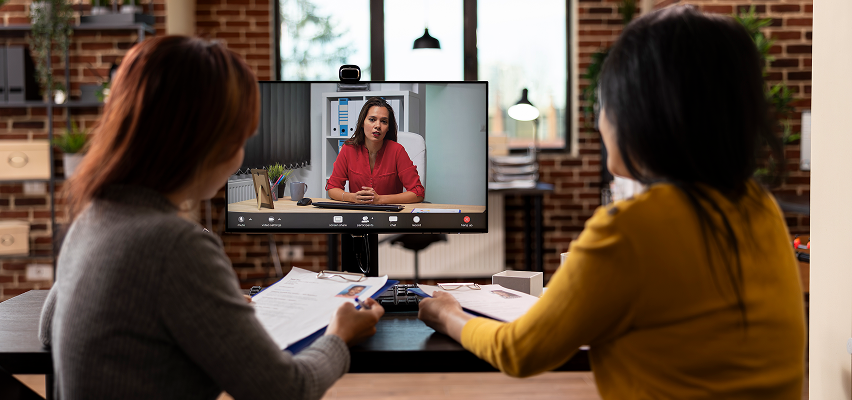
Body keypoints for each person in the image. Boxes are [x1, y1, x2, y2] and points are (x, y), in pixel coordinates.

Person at [418, 6, 805, 399]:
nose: (600, 120)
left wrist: (447, 313)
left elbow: (519, 350)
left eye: (605, 102)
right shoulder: (758, 205)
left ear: (643, 113)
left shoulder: (632, 228)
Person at [37, 36, 384, 400]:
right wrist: (340, 334)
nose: (240, 159)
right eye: (240, 141)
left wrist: (206, 312)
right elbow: (286, 389)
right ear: (201, 141)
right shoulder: (175, 246)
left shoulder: (95, 215)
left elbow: (50, 328)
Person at [326, 97, 425, 204]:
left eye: (384, 121)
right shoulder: (348, 149)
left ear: (388, 128)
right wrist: (352, 197)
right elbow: (332, 188)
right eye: (372, 119)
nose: (377, 126)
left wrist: (380, 200)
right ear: (362, 123)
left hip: (389, 215)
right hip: (357, 214)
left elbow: (418, 193)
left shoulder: (397, 151)